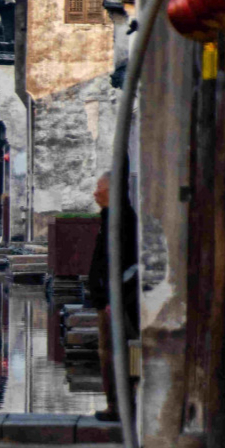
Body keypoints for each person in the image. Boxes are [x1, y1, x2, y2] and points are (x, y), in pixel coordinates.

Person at [86, 172, 139, 422]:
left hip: (118, 302)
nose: (95, 193)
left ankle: (121, 405)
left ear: (112, 191)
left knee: (120, 352)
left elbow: (124, 262)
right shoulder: (109, 218)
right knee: (109, 353)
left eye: (100, 188)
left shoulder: (123, 220)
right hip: (107, 299)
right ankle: (117, 403)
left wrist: (113, 297)